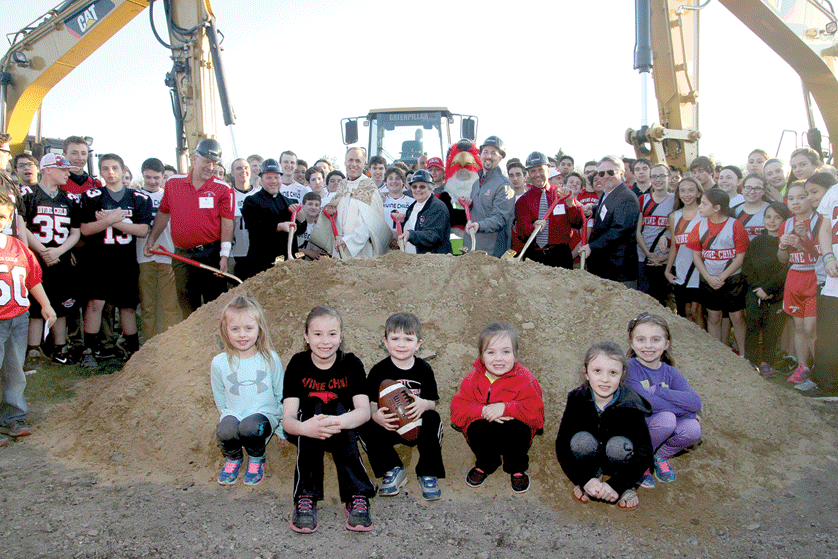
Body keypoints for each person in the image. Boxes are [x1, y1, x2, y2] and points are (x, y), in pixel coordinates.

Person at [282, 306, 376, 533]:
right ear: (306, 337)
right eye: (317, 334)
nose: (325, 341)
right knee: (314, 408)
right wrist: (307, 428)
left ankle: (357, 494)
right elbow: (287, 419)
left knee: (338, 407)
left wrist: (339, 421)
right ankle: (306, 496)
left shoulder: (351, 364)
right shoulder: (298, 364)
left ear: (341, 336)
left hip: (344, 430)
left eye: (332, 334)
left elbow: (364, 411)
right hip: (307, 431)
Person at [555, 341, 652, 510]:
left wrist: (618, 484)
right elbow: (562, 444)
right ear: (586, 372)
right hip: (590, 457)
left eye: (613, 372)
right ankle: (593, 477)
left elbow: (645, 452)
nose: (605, 379)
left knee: (618, 446)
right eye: (597, 371)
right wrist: (584, 479)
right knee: (580, 440)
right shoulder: (577, 399)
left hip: (620, 461)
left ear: (622, 375)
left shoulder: (631, 404)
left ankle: (627, 487)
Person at [143, 138, 234, 317]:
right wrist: (151, 239)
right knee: (186, 305)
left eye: (214, 163)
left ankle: (217, 343)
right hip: (182, 256)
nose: (210, 167)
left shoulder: (223, 188)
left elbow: (227, 222)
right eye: (207, 162)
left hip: (210, 254)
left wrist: (224, 255)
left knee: (215, 305)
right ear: (195, 158)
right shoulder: (173, 183)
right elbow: (163, 213)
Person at [359, 312, 445, 501]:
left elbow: (433, 403)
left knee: (433, 418)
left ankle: (427, 472)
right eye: (395, 338)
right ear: (385, 342)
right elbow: (372, 404)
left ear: (418, 344)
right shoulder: (378, 370)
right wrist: (376, 416)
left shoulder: (424, 369)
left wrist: (423, 404)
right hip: (388, 427)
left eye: (408, 339)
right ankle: (392, 469)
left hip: (417, 425)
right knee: (364, 423)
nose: (401, 344)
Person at [450, 323, 544, 494]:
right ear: (482, 357)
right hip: (485, 431)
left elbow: (537, 418)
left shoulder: (527, 380)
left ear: (516, 356)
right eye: (491, 352)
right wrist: (482, 411)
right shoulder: (473, 378)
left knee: (518, 430)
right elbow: (457, 413)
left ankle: (516, 467)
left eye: (506, 352)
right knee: (476, 428)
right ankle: (487, 463)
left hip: (514, 432)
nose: (499, 358)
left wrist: (507, 408)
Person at [78, 154, 153, 367]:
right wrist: (112, 220)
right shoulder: (92, 196)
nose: (110, 172)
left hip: (125, 260)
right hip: (99, 259)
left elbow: (142, 230)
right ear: (100, 172)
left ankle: (132, 350)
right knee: (95, 303)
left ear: (122, 170)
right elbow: (85, 229)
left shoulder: (138, 198)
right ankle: (89, 350)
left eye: (114, 168)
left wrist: (111, 221)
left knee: (127, 307)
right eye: (105, 168)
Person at [0, 188, 56, 444]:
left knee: (15, 372)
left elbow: (33, 279)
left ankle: (14, 416)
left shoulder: (18, 247)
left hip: (18, 320)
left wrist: (46, 305)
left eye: (3, 216)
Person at [212, 296, 286, 487]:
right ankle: (233, 458)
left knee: (249, 427)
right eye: (235, 329)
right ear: (225, 331)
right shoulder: (219, 362)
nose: (242, 335)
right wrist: (226, 416)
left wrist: (281, 428)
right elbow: (219, 394)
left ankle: (256, 458)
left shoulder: (270, 359)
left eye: (248, 328)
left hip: (263, 416)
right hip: (234, 413)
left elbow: (282, 394)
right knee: (225, 430)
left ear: (259, 328)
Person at [625, 313, 701, 489]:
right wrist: (687, 412)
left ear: (666, 344)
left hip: (660, 425)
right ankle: (640, 460)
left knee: (693, 428)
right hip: (636, 427)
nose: (648, 346)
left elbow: (695, 402)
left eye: (655, 340)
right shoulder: (629, 369)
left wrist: (661, 390)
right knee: (667, 419)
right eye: (641, 339)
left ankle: (658, 455)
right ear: (632, 343)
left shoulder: (671, 372)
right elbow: (648, 403)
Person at [19, 153, 79, 365]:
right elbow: (21, 225)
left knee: (62, 304)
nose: (67, 173)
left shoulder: (69, 198)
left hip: (60, 257)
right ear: (48, 169)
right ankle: (33, 349)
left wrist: (59, 251)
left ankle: (60, 348)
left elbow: (76, 232)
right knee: (36, 306)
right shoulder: (27, 193)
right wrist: (44, 250)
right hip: (35, 257)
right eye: (62, 169)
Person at [687, 189, 750, 353]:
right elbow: (697, 256)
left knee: (737, 317)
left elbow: (740, 257)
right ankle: (719, 355)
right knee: (713, 316)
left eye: (704, 203)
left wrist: (721, 277)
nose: (699, 206)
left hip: (732, 279)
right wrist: (709, 277)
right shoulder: (699, 226)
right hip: (708, 279)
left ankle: (743, 355)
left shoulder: (735, 225)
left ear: (717, 208)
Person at [309, 148, 390, 257]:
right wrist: (330, 208)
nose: (353, 164)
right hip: (338, 244)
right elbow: (337, 206)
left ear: (364, 164)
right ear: (345, 162)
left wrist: (348, 241)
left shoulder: (369, 188)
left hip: (360, 249)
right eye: (350, 160)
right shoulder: (343, 185)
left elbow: (367, 223)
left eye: (358, 161)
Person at [779, 182, 821, 385]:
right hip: (795, 277)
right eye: (791, 198)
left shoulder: (819, 221)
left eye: (801, 197)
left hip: (815, 276)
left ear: (810, 198)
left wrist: (802, 244)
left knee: (812, 328)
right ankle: (802, 367)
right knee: (799, 327)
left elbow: (820, 255)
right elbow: (781, 259)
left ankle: (821, 370)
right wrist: (783, 246)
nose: (796, 202)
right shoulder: (786, 224)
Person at [742, 202, 790, 376]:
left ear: (785, 220)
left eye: (777, 217)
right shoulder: (757, 241)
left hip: (777, 294)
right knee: (753, 325)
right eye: (768, 217)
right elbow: (747, 267)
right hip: (755, 292)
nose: (772, 221)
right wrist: (758, 288)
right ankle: (751, 360)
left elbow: (786, 269)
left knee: (772, 329)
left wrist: (769, 289)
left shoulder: (786, 243)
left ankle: (767, 362)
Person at [136, 158, 181, 340]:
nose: (152, 181)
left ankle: (170, 344)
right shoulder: (136, 196)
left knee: (170, 305)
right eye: (148, 177)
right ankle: (149, 344)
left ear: (163, 177)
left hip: (167, 254)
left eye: (156, 177)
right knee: (148, 306)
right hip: (144, 256)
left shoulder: (171, 196)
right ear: (142, 176)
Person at [513, 151, 582, 268]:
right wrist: (533, 227)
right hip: (534, 257)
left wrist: (570, 203)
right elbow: (522, 233)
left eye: (541, 170)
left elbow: (578, 223)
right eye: (533, 171)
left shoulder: (563, 194)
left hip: (561, 256)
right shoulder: (523, 201)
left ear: (548, 171)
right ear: (528, 174)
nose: (537, 174)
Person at [581, 156, 640, 287]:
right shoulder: (609, 193)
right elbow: (608, 210)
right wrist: (593, 208)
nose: (606, 176)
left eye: (611, 172)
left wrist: (592, 246)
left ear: (622, 173)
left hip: (619, 270)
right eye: (602, 173)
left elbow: (619, 230)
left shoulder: (626, 197)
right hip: (606, 267)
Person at [806, 174, 838, 396]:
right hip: (834, 280)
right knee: (829, 333)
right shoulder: (833, 191)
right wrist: (828, 257)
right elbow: (825, 230)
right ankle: (828, 386)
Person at [240, 159, 298, 279]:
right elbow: (255, 226)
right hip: (262, 265)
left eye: (276, 177)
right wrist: (279, 226)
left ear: (281, 179)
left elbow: (299, 230)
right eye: (269, 178)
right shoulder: (251, 201)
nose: (273, 181)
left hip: (287, 266)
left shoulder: (290, 202)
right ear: (261, 180)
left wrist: (301, 217)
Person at [462, 136, 515, 257]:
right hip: (473, 249)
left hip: (492, 252)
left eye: (494, 153)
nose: (489, 156)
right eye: (485, 152)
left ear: (500, 158)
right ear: (480, 155)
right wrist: (469, 204)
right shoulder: (476, 183)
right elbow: (481, 209)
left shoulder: (505, 185)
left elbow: (500, 218)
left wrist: (479, 225)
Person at [665, 178, 705, 325]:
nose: (686, 194)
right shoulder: (675, 216)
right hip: (681, 269)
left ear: (699, 192)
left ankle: (705, 345)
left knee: (696, 311)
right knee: (685, 312)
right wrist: (668, 270)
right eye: (683, 190)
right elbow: (674, 246)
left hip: (700, 270)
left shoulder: (705, 214)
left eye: (691, 190)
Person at [636, 164, 674, 304]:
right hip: (644, 257)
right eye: (654, 176)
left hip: (665, 260)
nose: (658, 179)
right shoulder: (643, 199)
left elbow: (678, 232)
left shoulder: (676, 200)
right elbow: (637, 231)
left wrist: (663, 258)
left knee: (662, 301)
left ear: (669, 178)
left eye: (662, 176)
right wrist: (648, 254)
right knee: (644, 299)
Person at [399, 169, 452, 254]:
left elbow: (433, 236)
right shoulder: (412, 207)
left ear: (430, 188)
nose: (418, 190)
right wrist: (401, 222)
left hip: (432, 263)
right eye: (414, 186)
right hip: (413, 261)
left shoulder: (438, 207)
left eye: (422, 186)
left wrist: (411, 235)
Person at [229, 157, 258, 278]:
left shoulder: (259, 193)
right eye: (238, 168)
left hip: (256, 252)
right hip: (234, 252)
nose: (243, 171)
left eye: (246, 168)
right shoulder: (227, 194)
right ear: (232, 173)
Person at [733, 173, 770, 241]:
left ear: (764, 191)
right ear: (742, 189)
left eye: (757, 188)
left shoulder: (772, 209)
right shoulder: (734, 211)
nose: (752, 192)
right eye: (748, 188)